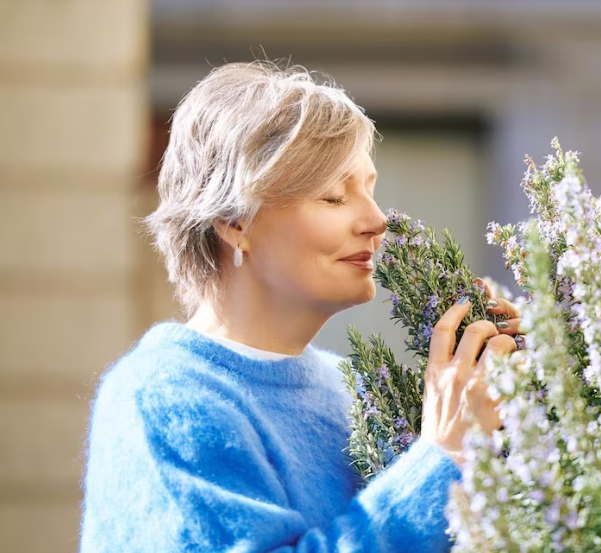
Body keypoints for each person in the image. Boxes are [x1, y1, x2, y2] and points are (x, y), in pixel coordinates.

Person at [79, 61, 521, 553]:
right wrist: (442, 454)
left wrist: (513, 408)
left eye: (370, 190)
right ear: (234, 221)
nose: (377, 220)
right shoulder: (164, 398)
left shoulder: (355, 390)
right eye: (333, 197)